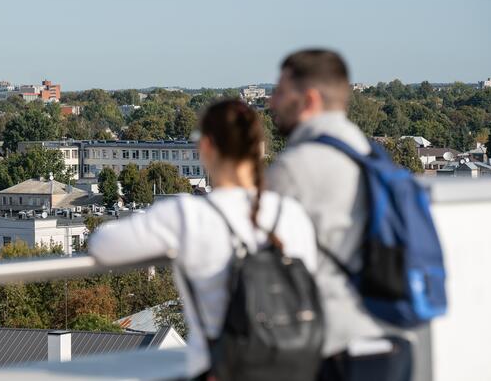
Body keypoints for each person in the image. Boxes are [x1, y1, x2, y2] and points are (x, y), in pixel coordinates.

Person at [88, 99, 317, 379]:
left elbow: (102, 245)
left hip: (222, 370)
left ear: (206, 147)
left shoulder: (189, 214)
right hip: (296, 368)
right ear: (259, 149)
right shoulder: (293, 214)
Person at [267, 49, 413, 381]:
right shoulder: (371, 153)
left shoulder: (296, 166)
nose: (272, 102)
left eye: (280, 92)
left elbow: (263, 261)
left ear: (310, 99)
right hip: (390, 339)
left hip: (337, 351)